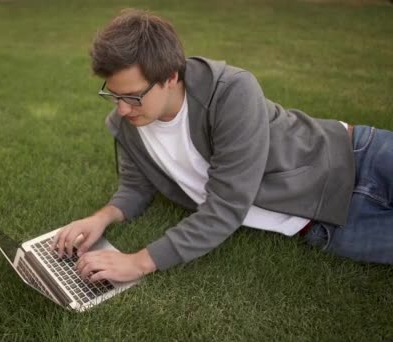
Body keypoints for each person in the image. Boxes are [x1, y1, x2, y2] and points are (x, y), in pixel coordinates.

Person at [51, 9, 393, 283]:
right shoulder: (125, 124)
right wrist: (101, 218)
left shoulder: (231, 92)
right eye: (113, 94)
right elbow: (136, 186)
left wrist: (138, 262)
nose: (122, 109)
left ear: (171, 77)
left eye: (132, 96)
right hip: (323, 226)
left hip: (360, 157)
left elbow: (226, 206)